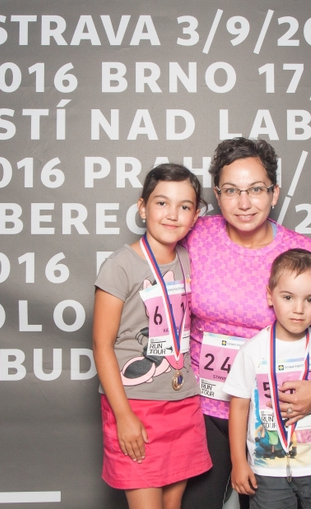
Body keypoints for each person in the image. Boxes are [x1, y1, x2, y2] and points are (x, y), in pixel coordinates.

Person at [181, 138, 311, 508]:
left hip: (273, 413)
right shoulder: (195, 235)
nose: (244, 203)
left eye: (256, 189)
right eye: (231, 191)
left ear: (274, 193)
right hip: (203, 407)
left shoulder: (301, 252)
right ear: (217, 194)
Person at [93, 163, 212, 509]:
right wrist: (123, 415)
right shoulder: (120, 266)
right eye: (162, 203)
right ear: (143, 208)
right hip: (135, 404)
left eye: (184, 206)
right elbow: (102, 345)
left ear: (195, 216)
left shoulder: (188, 259)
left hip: (183, 401)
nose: (172, 214)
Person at [224, 249, 311, 509]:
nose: (298, 309)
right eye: (288, 297)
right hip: (268, 470)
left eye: (310, 299)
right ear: (270, 296)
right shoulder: (253, 350)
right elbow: (238, 408)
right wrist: (239, 462)